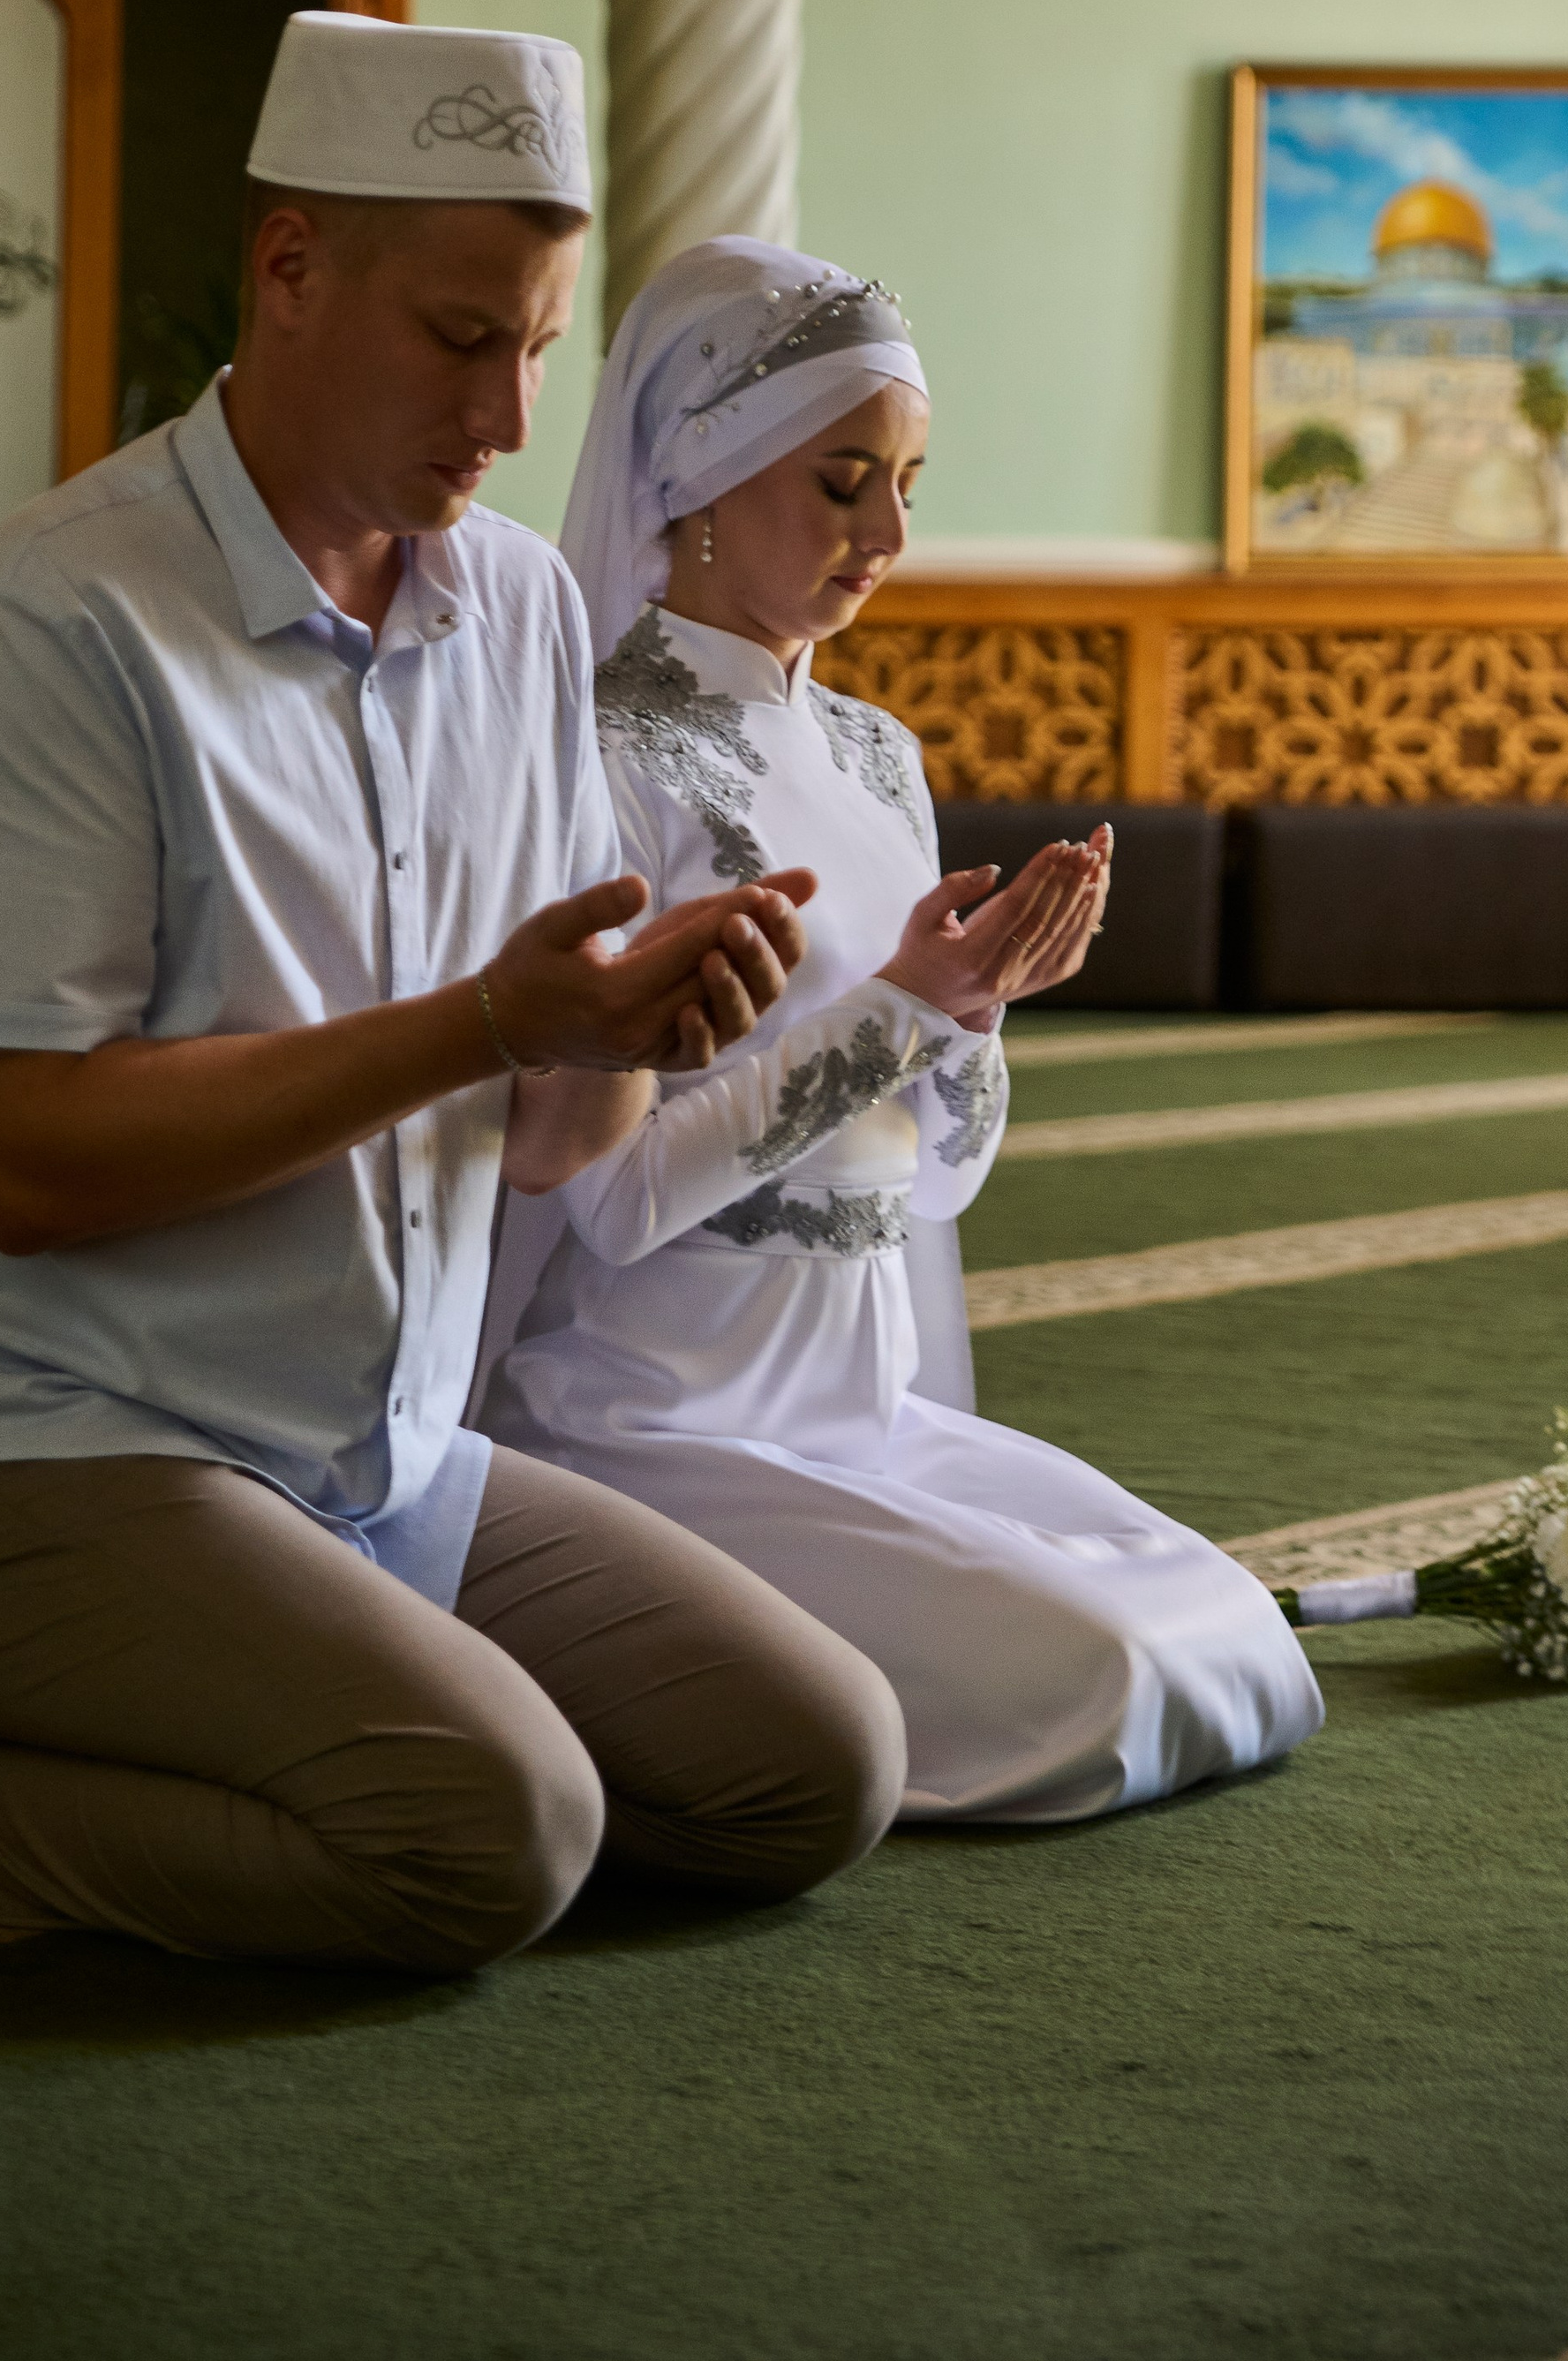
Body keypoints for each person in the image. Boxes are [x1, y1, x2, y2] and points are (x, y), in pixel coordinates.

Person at [0, 20, 908, 1973]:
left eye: (537, 344)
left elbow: (541, 1145)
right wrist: (496, 1023)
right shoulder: (51, 619)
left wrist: (622, 1035)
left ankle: (263, 1700)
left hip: (372, 1449)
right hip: (30, 1445)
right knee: (484, 1834)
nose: (511, 415)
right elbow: (24, 1164)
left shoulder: (513, 607)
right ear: (288, 272)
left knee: (815, 1764)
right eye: (460, 338)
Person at [477, 238, 1325, 1824]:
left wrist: (973, 1016)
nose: (890, 535)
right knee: (1113, 1679)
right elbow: (605, 1192)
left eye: (910, 484)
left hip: (858, 1401)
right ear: (704, 477)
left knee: (1232, 1643)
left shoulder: (877, 756)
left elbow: (929, 1185)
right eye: (846, 482)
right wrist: (903, 1013)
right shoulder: (601, 754)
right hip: (660, 1413)